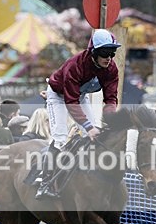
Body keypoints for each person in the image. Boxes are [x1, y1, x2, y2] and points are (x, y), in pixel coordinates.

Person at [35, 29, 122, 199]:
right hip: (59, 96)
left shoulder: (111, 69)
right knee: (60, 137)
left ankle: (85, 177)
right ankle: (45, 182)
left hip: (80, 96)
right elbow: (70, 101)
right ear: (94, 52)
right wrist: (88, 127)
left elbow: (111, 98)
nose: (109, 57)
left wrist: (111, 121)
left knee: (93, 135)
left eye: (112, 52)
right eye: (104, 53)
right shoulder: (75, 65)